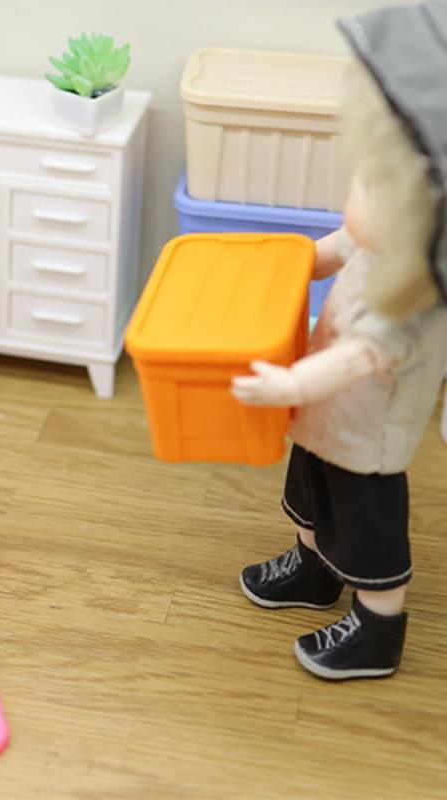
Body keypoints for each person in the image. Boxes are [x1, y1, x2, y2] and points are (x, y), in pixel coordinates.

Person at [231, 1, 447, 680]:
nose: (355, 192)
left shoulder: (414, 294)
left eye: (371, 186)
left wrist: (289, 384)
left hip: (365, 438)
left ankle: (378, 627)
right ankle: (314, 567)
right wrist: (284, 262)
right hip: (326, 417)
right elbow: (331, 250)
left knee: (365, 524)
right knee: (310, 489)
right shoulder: (382, 238)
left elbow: (360, 357)